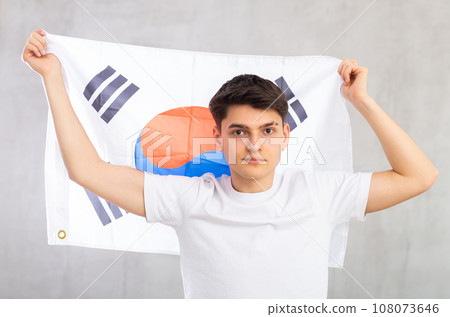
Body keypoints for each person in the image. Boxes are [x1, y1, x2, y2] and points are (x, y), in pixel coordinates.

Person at [22, 29, 438, 299]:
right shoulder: (189, 197)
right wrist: (53, 79)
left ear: (285, 137)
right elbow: (86, 171)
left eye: (268, 131)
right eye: (239, 132)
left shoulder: (320, 192)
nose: (254, 145)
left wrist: (361, 100)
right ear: (218, 139)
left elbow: (420, 176)